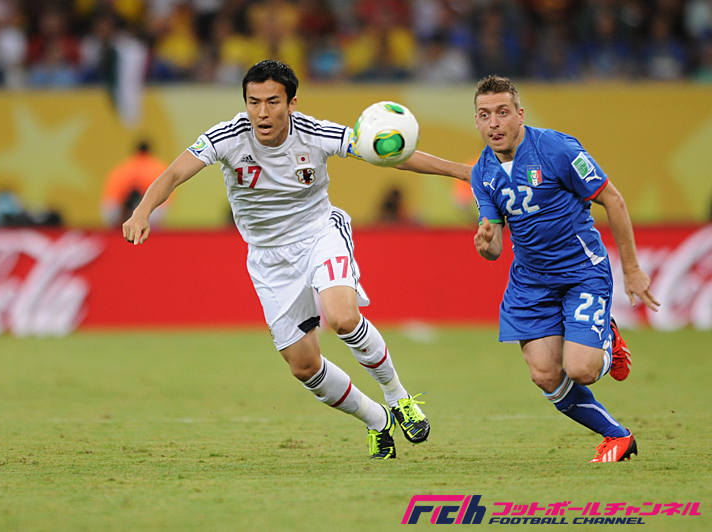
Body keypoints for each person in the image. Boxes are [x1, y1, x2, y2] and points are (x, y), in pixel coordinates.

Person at [123, 60, 471, 459]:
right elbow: (173, 173)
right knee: (304, 367)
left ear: (291, 103)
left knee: (342, 318)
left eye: (272, 102)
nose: (262, 112)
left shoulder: (316, 133)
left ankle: (398, 398)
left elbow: (388, 155)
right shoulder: (227, 137)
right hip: (268, 260)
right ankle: (377, 420)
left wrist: (461, 172)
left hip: (319, 235)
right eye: (253, 102)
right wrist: (142, 211)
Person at [470, 75, 660, 463]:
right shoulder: (482, 173)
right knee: (544, 374)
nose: (494, 123)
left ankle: (607, 339)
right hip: (530, 283)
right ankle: (617, 436)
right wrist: (486, 244)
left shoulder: (556, 148)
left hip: (581, 273)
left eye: (502, 112)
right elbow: (495, 247)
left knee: (581, 370)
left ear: (520, 115)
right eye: (485, 115)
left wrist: (632, 270)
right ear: (477, 121)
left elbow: (613, 199)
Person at [101, 140, 169, 227]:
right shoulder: (159, 169)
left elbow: (111, 197)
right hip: (147, 212)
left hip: (120, 211)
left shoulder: (123, 167)